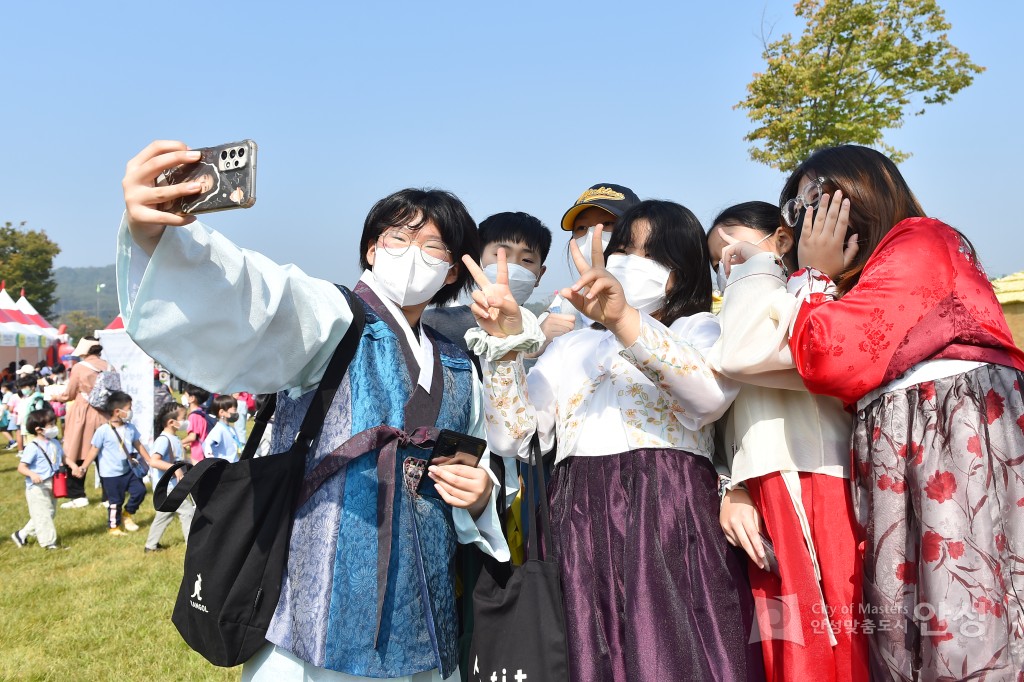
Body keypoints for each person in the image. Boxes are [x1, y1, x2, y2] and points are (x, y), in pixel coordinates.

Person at [116, 140, 514, 681]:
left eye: (433, 246)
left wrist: (482, 490)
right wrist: (158, 235)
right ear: (372, 250)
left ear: (451, 272)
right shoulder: (333, 318)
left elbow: (482, 457)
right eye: (398, 236)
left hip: (427, 612)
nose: (411, 251)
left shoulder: (460, 363)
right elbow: (259, 296)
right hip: (311, 608)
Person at [466, 199, 763, 681]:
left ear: (680, 271)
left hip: (671, 510)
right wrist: (503, 351)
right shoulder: (571, 346)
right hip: (579, 511)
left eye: (649, 253)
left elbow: (707, 397)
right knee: (591, 650)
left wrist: (623, 317)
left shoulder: (699, 327)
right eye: (622, 248)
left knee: (677, 652)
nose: (627, 260)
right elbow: (514, 437)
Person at [774, 144, 1024, 679]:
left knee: (963, 613)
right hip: (906, 440)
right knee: (908, 614)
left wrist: (812, 278)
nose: (802, 225)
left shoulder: (921, 239)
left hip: (949, 433)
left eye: (810, 204)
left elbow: (828, 359)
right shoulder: (867, 276)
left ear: (857, 194)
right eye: (794, 213)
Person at [706, 201, 867, 682]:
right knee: (788, 637)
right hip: (763, 492)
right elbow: (716, 423)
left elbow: (741, 355)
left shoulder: (819, 296)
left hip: (827, 478)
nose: (726, 265)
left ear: (781, 239)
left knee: (844, 623)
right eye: (716, 258)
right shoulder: (733, 312)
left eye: (734, 247)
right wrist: (729, 486)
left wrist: (765, 268)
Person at [423, 211, 573, 359]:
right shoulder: (434, 324)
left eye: (527, 260)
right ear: (477, 261)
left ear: (539, 275)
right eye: (499, 255)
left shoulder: (547, 334)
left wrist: (536, 346)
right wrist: (524, 352)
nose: (510, 268)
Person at [77, 390, 150, 535]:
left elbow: (138, 444)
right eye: (129, 408)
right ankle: (114, 527)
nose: (131, 412)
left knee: (140, 491)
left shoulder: (130, 428)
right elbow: (93, 450)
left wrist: (149, 459)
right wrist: (83, 467)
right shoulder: (103, 431)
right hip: (111, 474)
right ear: (117, 411)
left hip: (129, 470)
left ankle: (127, 514)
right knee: (115, 501)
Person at [53, 336, 111, 509]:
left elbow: (69, 393)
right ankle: (108, 496)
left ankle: (78, 495)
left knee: (75, 452)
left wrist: (56, 397)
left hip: (83, 414)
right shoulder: (109, 366)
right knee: (105, 457)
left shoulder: (79, 367)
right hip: (105, 415)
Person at [11, 408, 67, 550]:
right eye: (51, 425)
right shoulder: (32, 447)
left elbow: (64, 458)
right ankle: (49, 544)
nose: (55, 427)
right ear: (38, 429)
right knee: (43, 515)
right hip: (37, 486)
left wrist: (77, 467)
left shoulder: (55, 443)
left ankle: (21, 534)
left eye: (55, 423)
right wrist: (32, 475)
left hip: (53, 483)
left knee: (49, 512)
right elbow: (21, 467)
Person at [144, 402, 192, 553]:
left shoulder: (175, 438)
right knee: (188, 512)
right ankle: (192, 546)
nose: (186, 421)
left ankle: (150, 546)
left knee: (164, 516)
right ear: (171, 422)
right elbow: (154, 461)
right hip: (169, 487)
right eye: (183, 418)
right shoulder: (164, 440)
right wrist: (175, 469)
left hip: (172, 486)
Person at [202, 393, 242, 462]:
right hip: (224, 467)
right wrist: (212, 461)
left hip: (234, 464)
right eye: (234, 410)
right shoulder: (218, 429)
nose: (236, 413)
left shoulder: (231, 429)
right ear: (222, 412)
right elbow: (206, 444)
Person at [178, 383, 211, 463]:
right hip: (203, 451)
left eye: (185, 395)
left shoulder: (194, 416)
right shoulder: (201, 412)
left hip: (198, 454)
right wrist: (188, 443)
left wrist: (178, 443)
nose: (183, 397)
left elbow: (192, 437)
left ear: (192, 398)